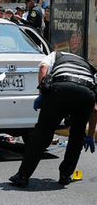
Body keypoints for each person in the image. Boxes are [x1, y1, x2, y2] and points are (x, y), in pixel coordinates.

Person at [10, 51, 97, 187]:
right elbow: (95, 109)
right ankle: (65, 175)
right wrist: (90, 135)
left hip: (60, 89)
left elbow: (43, 68)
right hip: (86, 93)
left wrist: (42, 94)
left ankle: (23, 176)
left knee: (43, 131)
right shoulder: (89, 67)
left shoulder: (56, 55)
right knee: (77, 135)